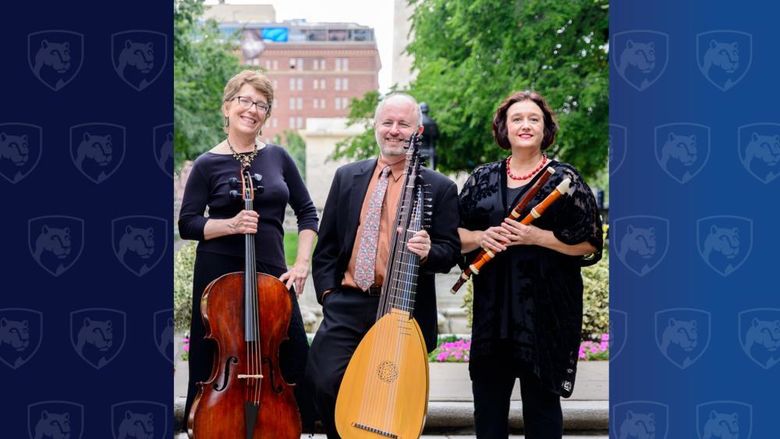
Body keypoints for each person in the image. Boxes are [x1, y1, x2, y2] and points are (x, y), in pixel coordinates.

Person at [306, 93, 461, 438]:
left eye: (403, 124)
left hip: (404, 307)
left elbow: (451, 252)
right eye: (387, 123)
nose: (394, 131)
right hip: (348, 300)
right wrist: (329, 294)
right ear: (375, 127)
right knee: (323, 380)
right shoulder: (348, 177)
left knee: (392, 395)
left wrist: (429, 251)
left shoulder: (439, 187)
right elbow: (327, 244)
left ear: (417, 130)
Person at [457, 90, 603, 438]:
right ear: (503, 129)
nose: (525, 125)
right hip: (494, 314)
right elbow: (452, 234)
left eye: (533, 119)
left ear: (545, 128)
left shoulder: (564, 179)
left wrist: (536, 237)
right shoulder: (482, 179)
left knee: (542, 413)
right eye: (517, 119)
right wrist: (481, 238)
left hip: (545, 314)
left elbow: (590, 242)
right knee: (488, 414)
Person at [178, 70, 318, 431]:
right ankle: (215, 426)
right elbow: (188, 223)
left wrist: (302, 263)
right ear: (227, 107)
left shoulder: (278, 157)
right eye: (244, 100)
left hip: (271, 273)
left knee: (290, 358)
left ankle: (280, 428)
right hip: (218, 278)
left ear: (266, 115)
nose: (252, 109)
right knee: (218, 357)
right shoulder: (206, 163)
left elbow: (307, 213)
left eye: (261, 104)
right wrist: (230, 225)